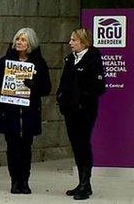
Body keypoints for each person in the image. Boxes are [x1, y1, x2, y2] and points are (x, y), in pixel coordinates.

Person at [0, 28, 51, 194]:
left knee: (26, 147)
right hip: (9, 110)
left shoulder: (39, 63)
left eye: (23, 40)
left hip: (29, 112)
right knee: (12, 147)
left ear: (30, 43)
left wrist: (34, 86)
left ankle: (24, 180)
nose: (19, 42)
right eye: (17, 39)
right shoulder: (5, 61)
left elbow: (47, 88)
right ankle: (14, 181)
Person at [57, 28, 105, 200]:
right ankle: (82, 183)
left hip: (84, 110)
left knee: (83, 143)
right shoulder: (70, 59)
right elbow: (64, 82)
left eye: (73, 40)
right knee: (76, 145)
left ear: (83, 42)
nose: (70, 43)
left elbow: (99, 87)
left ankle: (85, 183)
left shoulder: (93, 58)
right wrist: (61, 98)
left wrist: (82, 99)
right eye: (71, 40)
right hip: (70, 109)